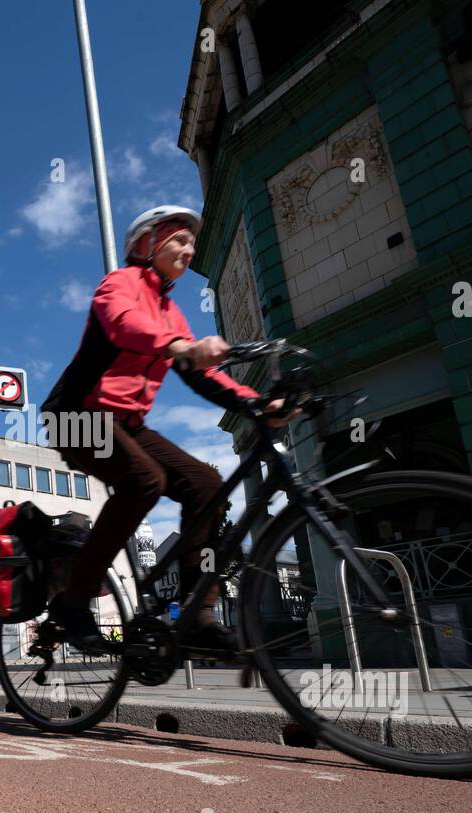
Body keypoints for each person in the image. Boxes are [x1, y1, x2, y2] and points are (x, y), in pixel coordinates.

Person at [41, 205, 299, 653]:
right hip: (73, 415)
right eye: (178, 240)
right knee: (146, 480)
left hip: (126, 423)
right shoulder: (119, 284)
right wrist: (179, 344)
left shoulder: (171, 310)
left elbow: (200, 373)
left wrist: (256, 403)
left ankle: (198, 612)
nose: (189, 249)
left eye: (192, 242)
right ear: (146, 244)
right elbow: (124, 325)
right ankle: (73, 601)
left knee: (207, 483)